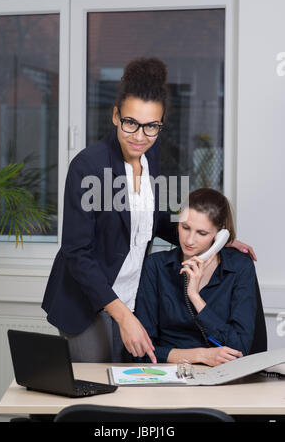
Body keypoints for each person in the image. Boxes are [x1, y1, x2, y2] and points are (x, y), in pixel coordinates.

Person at [42, 57, 256, 364]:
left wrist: (214, 241)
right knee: (96, 387)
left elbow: (151, 220)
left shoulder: (149, 156)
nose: (140, 136)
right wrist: (123, 317)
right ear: (116, 116)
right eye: (131, 123)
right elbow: (76, 252)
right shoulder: (88, 166)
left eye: (151, 127)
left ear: (161, 123)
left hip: (132, 293)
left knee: (130, 389)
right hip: (86, 301)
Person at [134, 188, 259, 366]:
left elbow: (240, 348)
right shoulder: (156, 266)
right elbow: (142, 352)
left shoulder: (239, 268)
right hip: (167, 377)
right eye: (185, 227)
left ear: (221, 234)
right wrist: (201, 355)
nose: (189, 240)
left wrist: (195, 297)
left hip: (222, 380)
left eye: (202, 233)